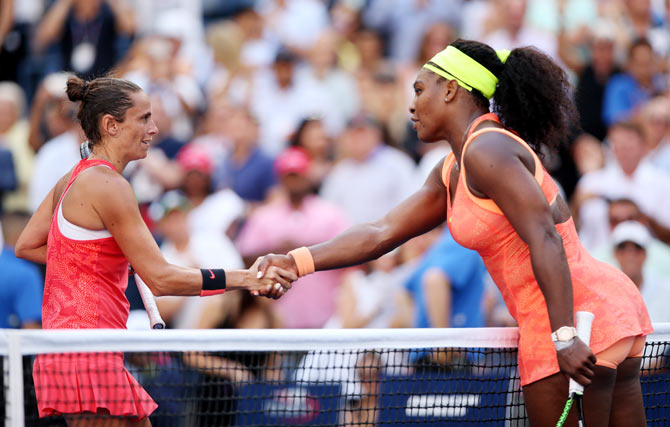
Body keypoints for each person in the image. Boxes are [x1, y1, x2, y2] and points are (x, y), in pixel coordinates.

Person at [259, 39, 653, 426]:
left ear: (450, 89)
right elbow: (381, 233)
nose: (410, 105)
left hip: (571, 323)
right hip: (600, 313)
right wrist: (296, 261)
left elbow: (545, 236)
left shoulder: (486, 150)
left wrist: (564, 336)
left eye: (418, 89)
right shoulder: (453, 167)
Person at [14, 75, 294, 426]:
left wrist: (102, 260)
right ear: (111, 125)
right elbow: (160, 278)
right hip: (86, 354)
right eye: (144, 118)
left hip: (81, 351)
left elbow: (29, 245)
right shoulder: (109, 185)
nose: (155, 128)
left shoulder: (73, 177)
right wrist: (246, 277)